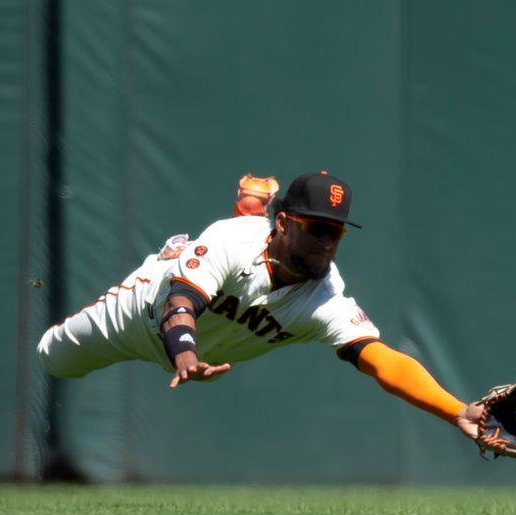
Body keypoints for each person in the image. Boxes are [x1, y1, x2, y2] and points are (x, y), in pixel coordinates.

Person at [36, 171, 483, 440]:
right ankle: (189, 245)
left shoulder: (324, 296)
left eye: (337, 232)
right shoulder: (234, 240)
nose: (327, 241)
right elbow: (180, 302)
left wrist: (456, 410)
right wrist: (186, 353)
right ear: (285, 222)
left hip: (194, 341)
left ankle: (246, 208)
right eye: (316, 228)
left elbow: (382, 360)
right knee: (54, 359)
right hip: (139, 314)